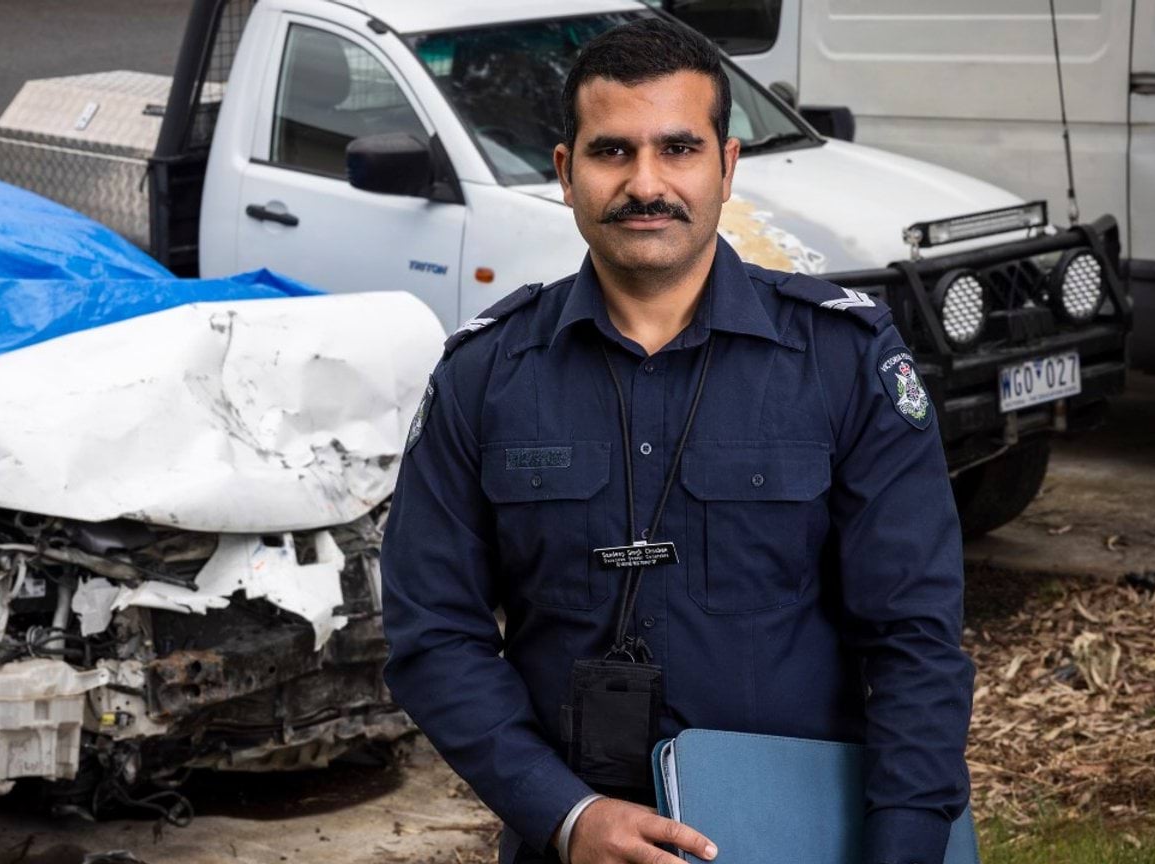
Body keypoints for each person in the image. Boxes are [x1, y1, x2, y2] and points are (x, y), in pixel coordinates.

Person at [379, 16, 974, 864]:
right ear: (565, 172)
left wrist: (906, 847)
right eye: (612, 151)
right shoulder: (485, 375)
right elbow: (433, 633)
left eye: (679, 149)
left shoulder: (842, 361)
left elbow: (915, 638)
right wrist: (566, 813)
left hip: (801, 836)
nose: (646, 182)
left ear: (727, 167)